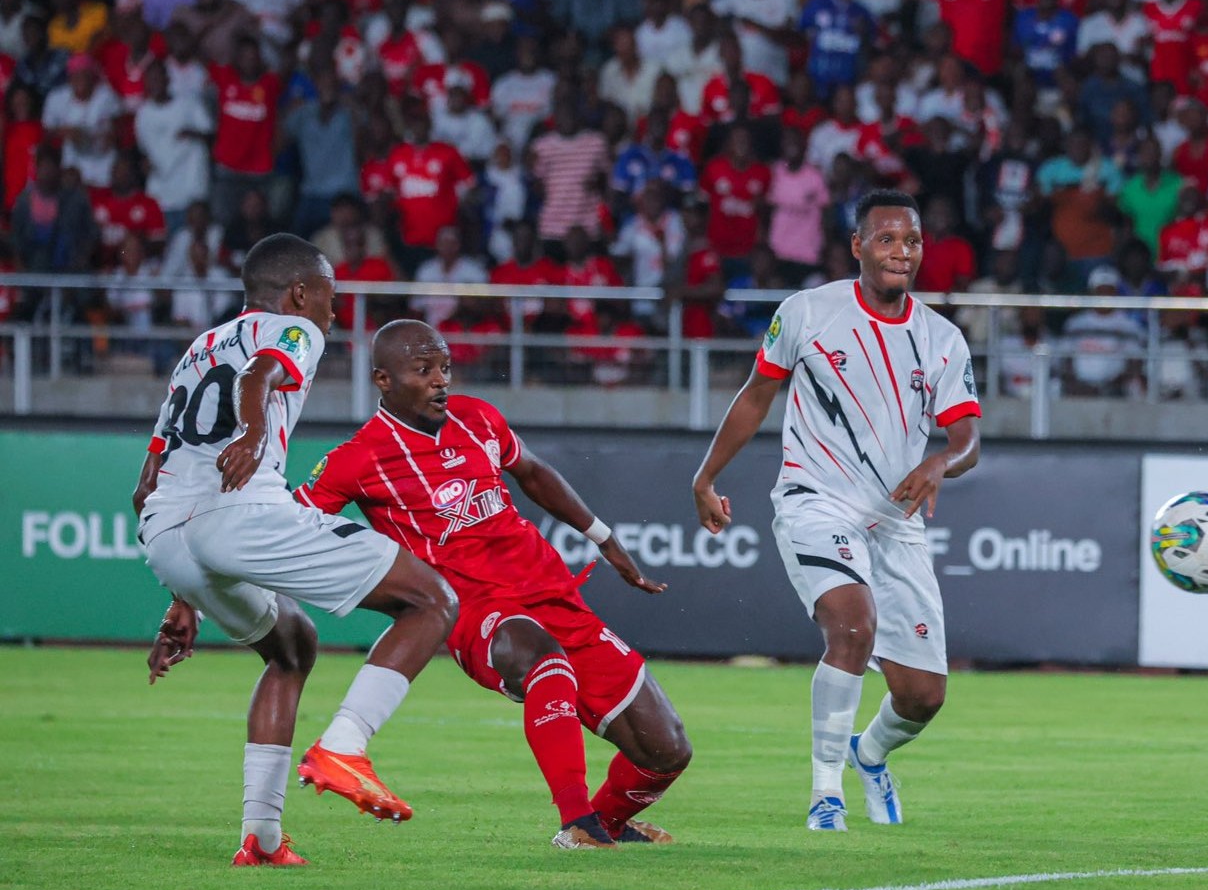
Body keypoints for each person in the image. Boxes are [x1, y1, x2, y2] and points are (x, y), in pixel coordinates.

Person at [294, 321, 692, 848]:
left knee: (667, 750)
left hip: (550, 591)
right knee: (540, 657)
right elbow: (287, 526)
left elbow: (532, 472)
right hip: (477, 610)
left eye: (445, 368)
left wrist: (603, 537)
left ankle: (605, 825)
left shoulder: (477, 418)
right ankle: (577, 820)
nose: (441, 381)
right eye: (424, 370)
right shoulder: (360, 458)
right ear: (382, 380)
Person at [134, 234, 460, 865]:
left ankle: (262, 837)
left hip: (167, 533)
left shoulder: (198, 350)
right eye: (330, 300)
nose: (332, 317)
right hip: (241, 512)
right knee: (432, 600)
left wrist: (186, 593)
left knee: (292, 646)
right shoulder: (294, 329)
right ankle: (345, 746)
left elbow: (146, 483)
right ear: (300, 293)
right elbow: (261, 374)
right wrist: (256, 432)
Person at [691, 189, 981, 831]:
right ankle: (826, 794)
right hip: (814, 500)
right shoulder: (807, 313)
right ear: (857, 246)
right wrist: (707, 476)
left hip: (895, 521)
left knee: (923, 696)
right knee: (852, 626)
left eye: (910, 240)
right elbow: (755, 397)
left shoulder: (941, 339)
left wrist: (941, 461)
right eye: (885, 239)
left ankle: (868, 754)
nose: (899, 252)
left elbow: (967, 441)